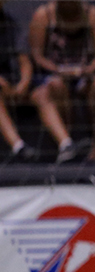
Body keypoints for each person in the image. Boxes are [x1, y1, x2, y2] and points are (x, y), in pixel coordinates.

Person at [29, 0, 95, 163]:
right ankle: (68, 145)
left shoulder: (91, 13)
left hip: (84, 72)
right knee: (56, 85)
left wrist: (88, 69)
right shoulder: (44, 15)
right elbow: (37, 57)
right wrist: (57, 70)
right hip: (53, 73)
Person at [0, 0, 37, 163]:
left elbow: (25, 61)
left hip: (8, 80)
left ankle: (67, 146)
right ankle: (18, 146)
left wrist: (23, 85)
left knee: (42, 92)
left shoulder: (10, 23)